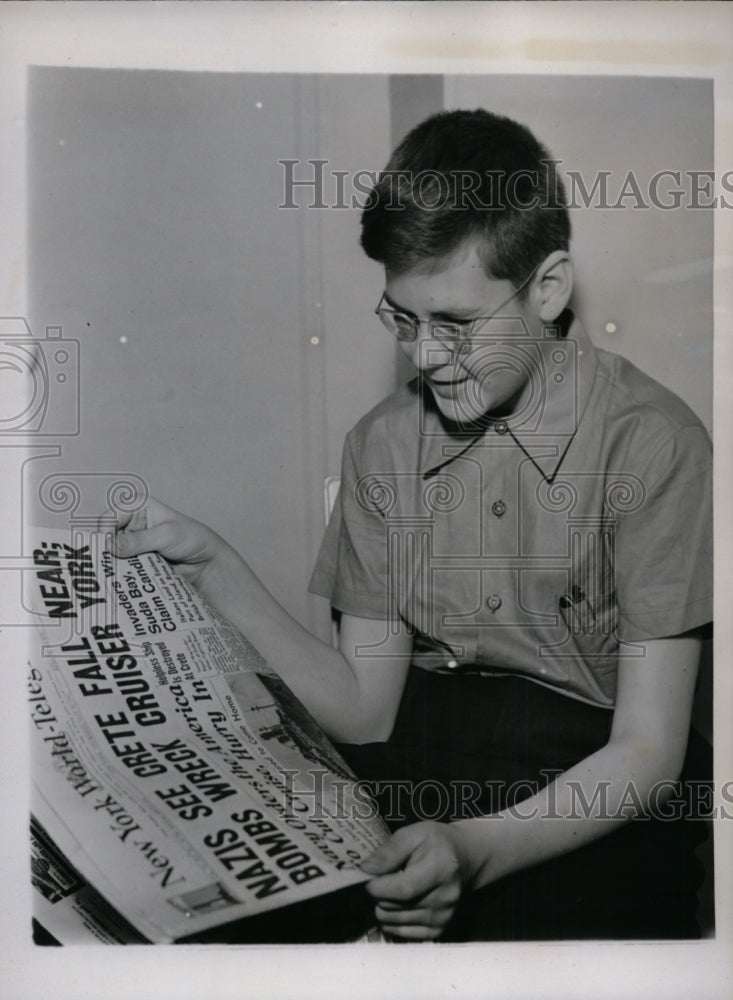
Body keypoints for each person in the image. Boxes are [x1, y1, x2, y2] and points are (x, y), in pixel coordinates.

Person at [114, 109, 712, 941]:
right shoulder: (382, 443)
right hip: (415, 760)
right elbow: (365, 711)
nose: (424, 357)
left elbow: (648, 753)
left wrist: (472, 851)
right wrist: (215, 567)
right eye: (402, 319)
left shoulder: (653, 442)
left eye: (456, 324)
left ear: (546, 289)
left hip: (592, 789)